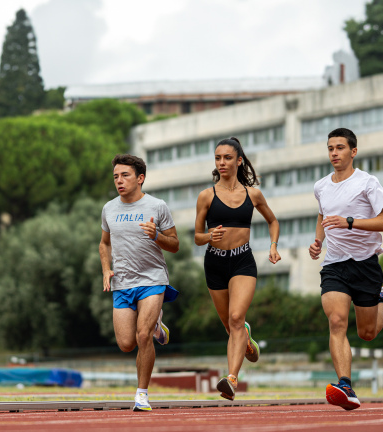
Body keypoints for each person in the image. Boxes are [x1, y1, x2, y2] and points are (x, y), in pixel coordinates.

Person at [194, 137, 280, 401]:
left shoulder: (252, 194)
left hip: (243, 261)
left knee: (235, 319)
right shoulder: (206, 196)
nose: (222, 162)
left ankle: (231, 379)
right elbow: (197, 236)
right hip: (215, 263)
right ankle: (247, 340)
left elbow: (273, 220)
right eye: (218, 158)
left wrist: (273, 246)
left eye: (227, 158)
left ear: (239, 160)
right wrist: (209, 237)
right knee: (231, 327)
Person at [309, 127, 383, 411]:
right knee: (337, 321)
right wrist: (318, 241)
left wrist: (350, 222)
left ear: (353, 151)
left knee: (367, 333)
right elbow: (322, 214)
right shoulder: (321, 186)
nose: (334, 153)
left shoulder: (368, 183)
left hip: (365, 264)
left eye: (340, 148)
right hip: (335, 265)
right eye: (330, 148)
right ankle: (345, 385)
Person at [99, 153, 180, 412]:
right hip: (122, 282)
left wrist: (157, 235)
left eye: (125, 175)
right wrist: (105, 269)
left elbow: (175, 244)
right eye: (116, 177)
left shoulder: (157, 206)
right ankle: (158, 326)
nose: (119, 181)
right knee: (126, 343)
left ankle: (142, 395)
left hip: (152, 279)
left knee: (142, 336)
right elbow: (104, 243)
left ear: (140, 178)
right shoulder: (109, 209)